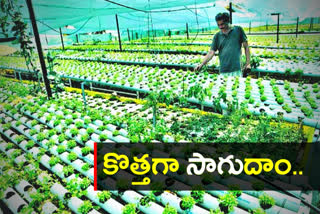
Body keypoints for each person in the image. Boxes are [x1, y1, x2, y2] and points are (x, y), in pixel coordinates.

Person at [194, 12, 251, 77]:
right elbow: (211, 52)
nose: (220, 27)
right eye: (218, 25)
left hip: (236, 69)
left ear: (228, 21)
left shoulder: (238, 30)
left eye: (222, 24)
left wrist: (248, 63)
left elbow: (246, 47)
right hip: (223, 70)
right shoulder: (217, 36)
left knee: (236, 86)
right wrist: (202, 64)